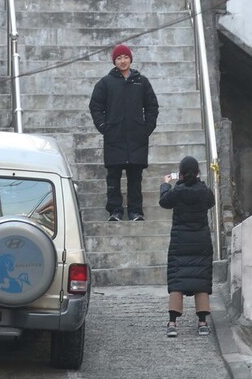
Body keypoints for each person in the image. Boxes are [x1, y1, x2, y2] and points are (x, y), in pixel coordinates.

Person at [88, 44, 159, 222]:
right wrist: (104, 126)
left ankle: (136, 211)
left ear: (130, 59)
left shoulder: (141, 82)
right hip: (114, 138)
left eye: (125, 57)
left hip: (137, 138)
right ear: (114, 61)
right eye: (118, 58)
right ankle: (115, 210)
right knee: (113, 178)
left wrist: (146, 128)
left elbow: (152, 106)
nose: (122, 61)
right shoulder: (105, 83)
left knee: (135, 178)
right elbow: (95, 107)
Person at [159, 155, 215, 337]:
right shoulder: (204, 191)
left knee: (177, 281)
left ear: (180, 173)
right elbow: (211, 201)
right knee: (201, 282)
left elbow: (164, 202)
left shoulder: (177, 191)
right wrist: (200, 182)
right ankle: (203, 323)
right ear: (197, 173)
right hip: (201, 242)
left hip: (180, 242)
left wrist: (166, 184)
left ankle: (172, 323)